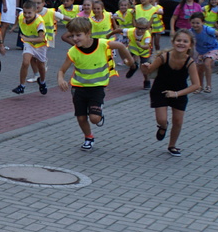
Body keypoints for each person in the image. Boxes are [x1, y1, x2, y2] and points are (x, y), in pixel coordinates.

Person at [56, 18, 135, 151]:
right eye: (72, 35)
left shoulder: (103, 44)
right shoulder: (73, 52)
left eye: (78, 35)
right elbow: (62, 70)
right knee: (81, 117)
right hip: (78, 88)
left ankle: (98, 115)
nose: (74, 38)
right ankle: (88, 137)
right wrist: (60, 79)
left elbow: (121, 46)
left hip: (97, 87)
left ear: (88, 33)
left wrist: (130, 61)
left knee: (94, 118)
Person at [140, 28, 200, 156]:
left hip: (180, 92)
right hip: (160, 90)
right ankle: (163, 126)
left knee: (178, 121)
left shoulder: (190, 62)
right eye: (178, 40)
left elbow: (196, 85)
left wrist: (177, 94)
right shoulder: (164, 57)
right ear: (173, 42)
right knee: (162, 119)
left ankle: (172, 145)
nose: (181, 43)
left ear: (190, 45)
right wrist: (144, 67)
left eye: (185, 41)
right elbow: (148, 71)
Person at [10, 0, 48, 95]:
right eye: (25, 12)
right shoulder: (21, 15)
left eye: (29, 13)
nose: (26, 15)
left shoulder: (39, 23)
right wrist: (14, 26)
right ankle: (21, 86)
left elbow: (40, 38)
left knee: (41, 66)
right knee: (25, 62)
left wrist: (26, 39)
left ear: (36, 12)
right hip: (29, 43)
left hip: (40, 45)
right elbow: (19, 17)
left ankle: (42, 82)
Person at [113, 14, 154, 90]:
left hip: (144, 52)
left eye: (143, 29)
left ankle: (147, 81)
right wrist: (109, 35)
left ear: (146, 28)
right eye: (138, 28)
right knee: (127, 60)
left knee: (144, 67)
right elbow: (119, 30)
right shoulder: (131, 31)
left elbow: (147, 46)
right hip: (133, 50)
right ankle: (133, 67)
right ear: (135, 26)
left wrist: (141, 46)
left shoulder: (147, 35)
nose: (140, 30)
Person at [189, 12, 218, 93]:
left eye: (197, 23)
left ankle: (209, 86)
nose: (195, 25)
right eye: (193, 23)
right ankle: (200, 86)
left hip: (213, 48)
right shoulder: (190, 31)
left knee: (207, 64)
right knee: (199, 69)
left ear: (203, 22)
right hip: (201, 51)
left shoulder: (208, 29)